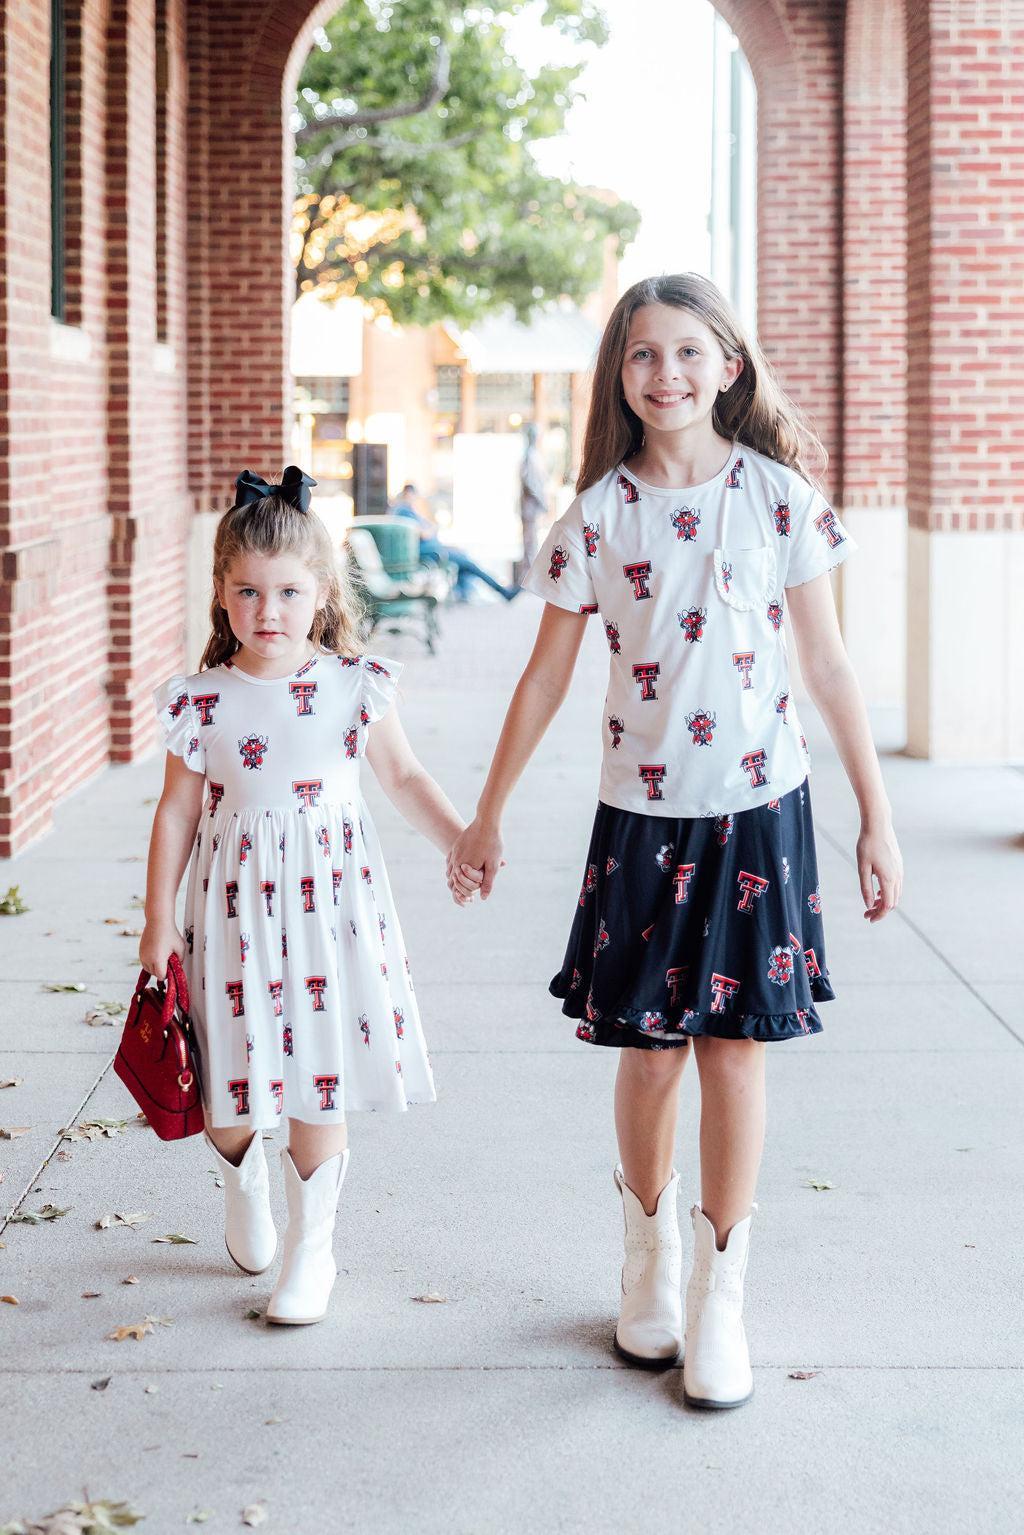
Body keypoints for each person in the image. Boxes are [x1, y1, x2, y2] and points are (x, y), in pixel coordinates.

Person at [445, 274, 903, 1408]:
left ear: (728, 366)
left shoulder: (781, 499)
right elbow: (546, 672)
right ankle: (645, 1266)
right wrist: (486, 809)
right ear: (621, 375)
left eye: (688, 352)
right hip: (641, 817)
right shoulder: (595, 516)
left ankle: (720, 1295)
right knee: (648, 1050)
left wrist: (874, 818)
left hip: (759, 806)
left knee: (732, 1048)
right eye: (642, 355)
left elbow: (830, 665)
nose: (666, 374)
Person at [140, 466, 481, 1327]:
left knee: (313, 1082)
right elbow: (178, 813)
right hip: (231, 915)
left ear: (322, 592)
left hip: (329, 911)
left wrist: (462, 840)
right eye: (248, 591)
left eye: (289, 592)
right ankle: (240, 1173)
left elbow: (400, 775)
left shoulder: (352, 685)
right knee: (227, 1087)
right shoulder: (203, 702)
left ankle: (311, 1248)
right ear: (220, 595)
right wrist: (155, 924)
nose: (269, 611)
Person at [390, 483, 519, 603]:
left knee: (464, 558)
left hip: (435, 550)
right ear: (408, 494)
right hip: (431, 554)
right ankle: (502, 591)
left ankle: (465, 594)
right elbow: (423, 534)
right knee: (469, 564)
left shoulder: (407, 511)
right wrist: (431, 528)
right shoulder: (403, 510)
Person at [518, 424, 548, 568]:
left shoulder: (534, 454)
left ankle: (531, 571)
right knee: (529, 541)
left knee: (533, 540)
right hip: (530, 506)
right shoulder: (529, 456)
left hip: (533, 507)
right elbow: (530, 483)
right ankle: (529, 572)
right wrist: (542, 501)